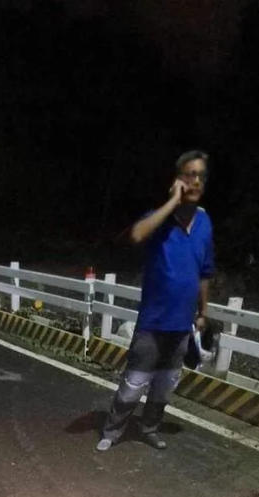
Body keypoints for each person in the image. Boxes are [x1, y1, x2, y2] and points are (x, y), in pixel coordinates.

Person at [97, 150, 214, 452]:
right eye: (190, 174)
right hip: (153, 322)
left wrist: (203, 312)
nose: (196, 180)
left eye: (201, 175)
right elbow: (135, 235)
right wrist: (173, 203)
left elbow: (205, 272)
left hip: (183, 325)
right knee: (134, 383)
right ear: (177, 180)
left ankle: (149, 428)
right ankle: (113, 430)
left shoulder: (205, 223)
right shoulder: (157, 219)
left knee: (165, 384)